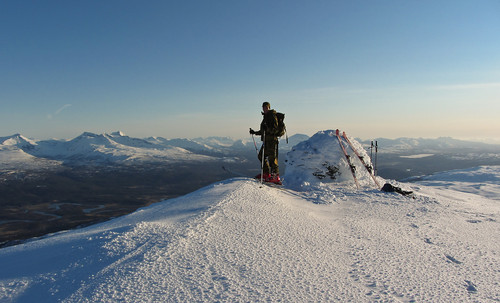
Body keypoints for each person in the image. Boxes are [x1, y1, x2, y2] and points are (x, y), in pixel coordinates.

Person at [249, 102, 281, 184]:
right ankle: (266, 174)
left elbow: (275, 129)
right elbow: (263, 131)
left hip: (272, 141)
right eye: (263, 107)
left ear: (269, 108)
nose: (265, 109)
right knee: (261, 156)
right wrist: (255, 132)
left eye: (266, 107)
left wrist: (267, 128)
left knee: (272, 158)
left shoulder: (272, 115)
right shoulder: (265, 117)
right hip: (266, 141)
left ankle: (275, 176)